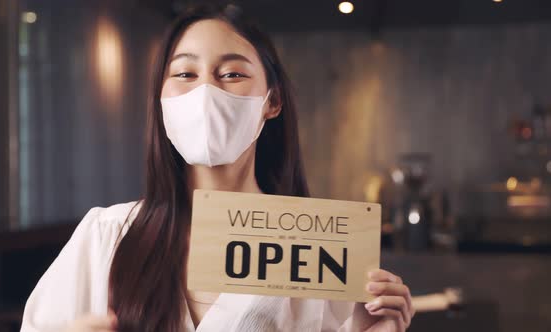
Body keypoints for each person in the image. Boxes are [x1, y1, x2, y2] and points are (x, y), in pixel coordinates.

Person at [20, 3, 415, 332]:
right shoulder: (107, 235)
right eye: (185, 74)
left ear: (272, 101)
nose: (206, 91)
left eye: (232, 74)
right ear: (161, 98)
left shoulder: (320, 250)